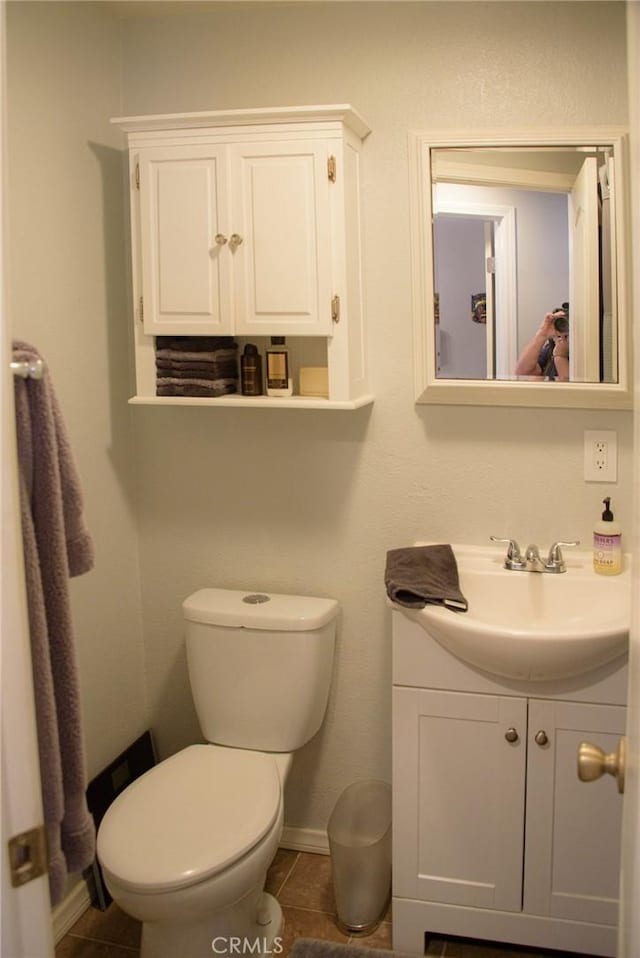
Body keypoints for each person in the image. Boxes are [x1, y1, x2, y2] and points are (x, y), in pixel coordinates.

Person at [515, 307, 569, 381]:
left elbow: (575, 391)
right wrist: (542, 334)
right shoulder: (550, 349)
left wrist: (560, 357)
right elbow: (522, 372)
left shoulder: (583, 356)